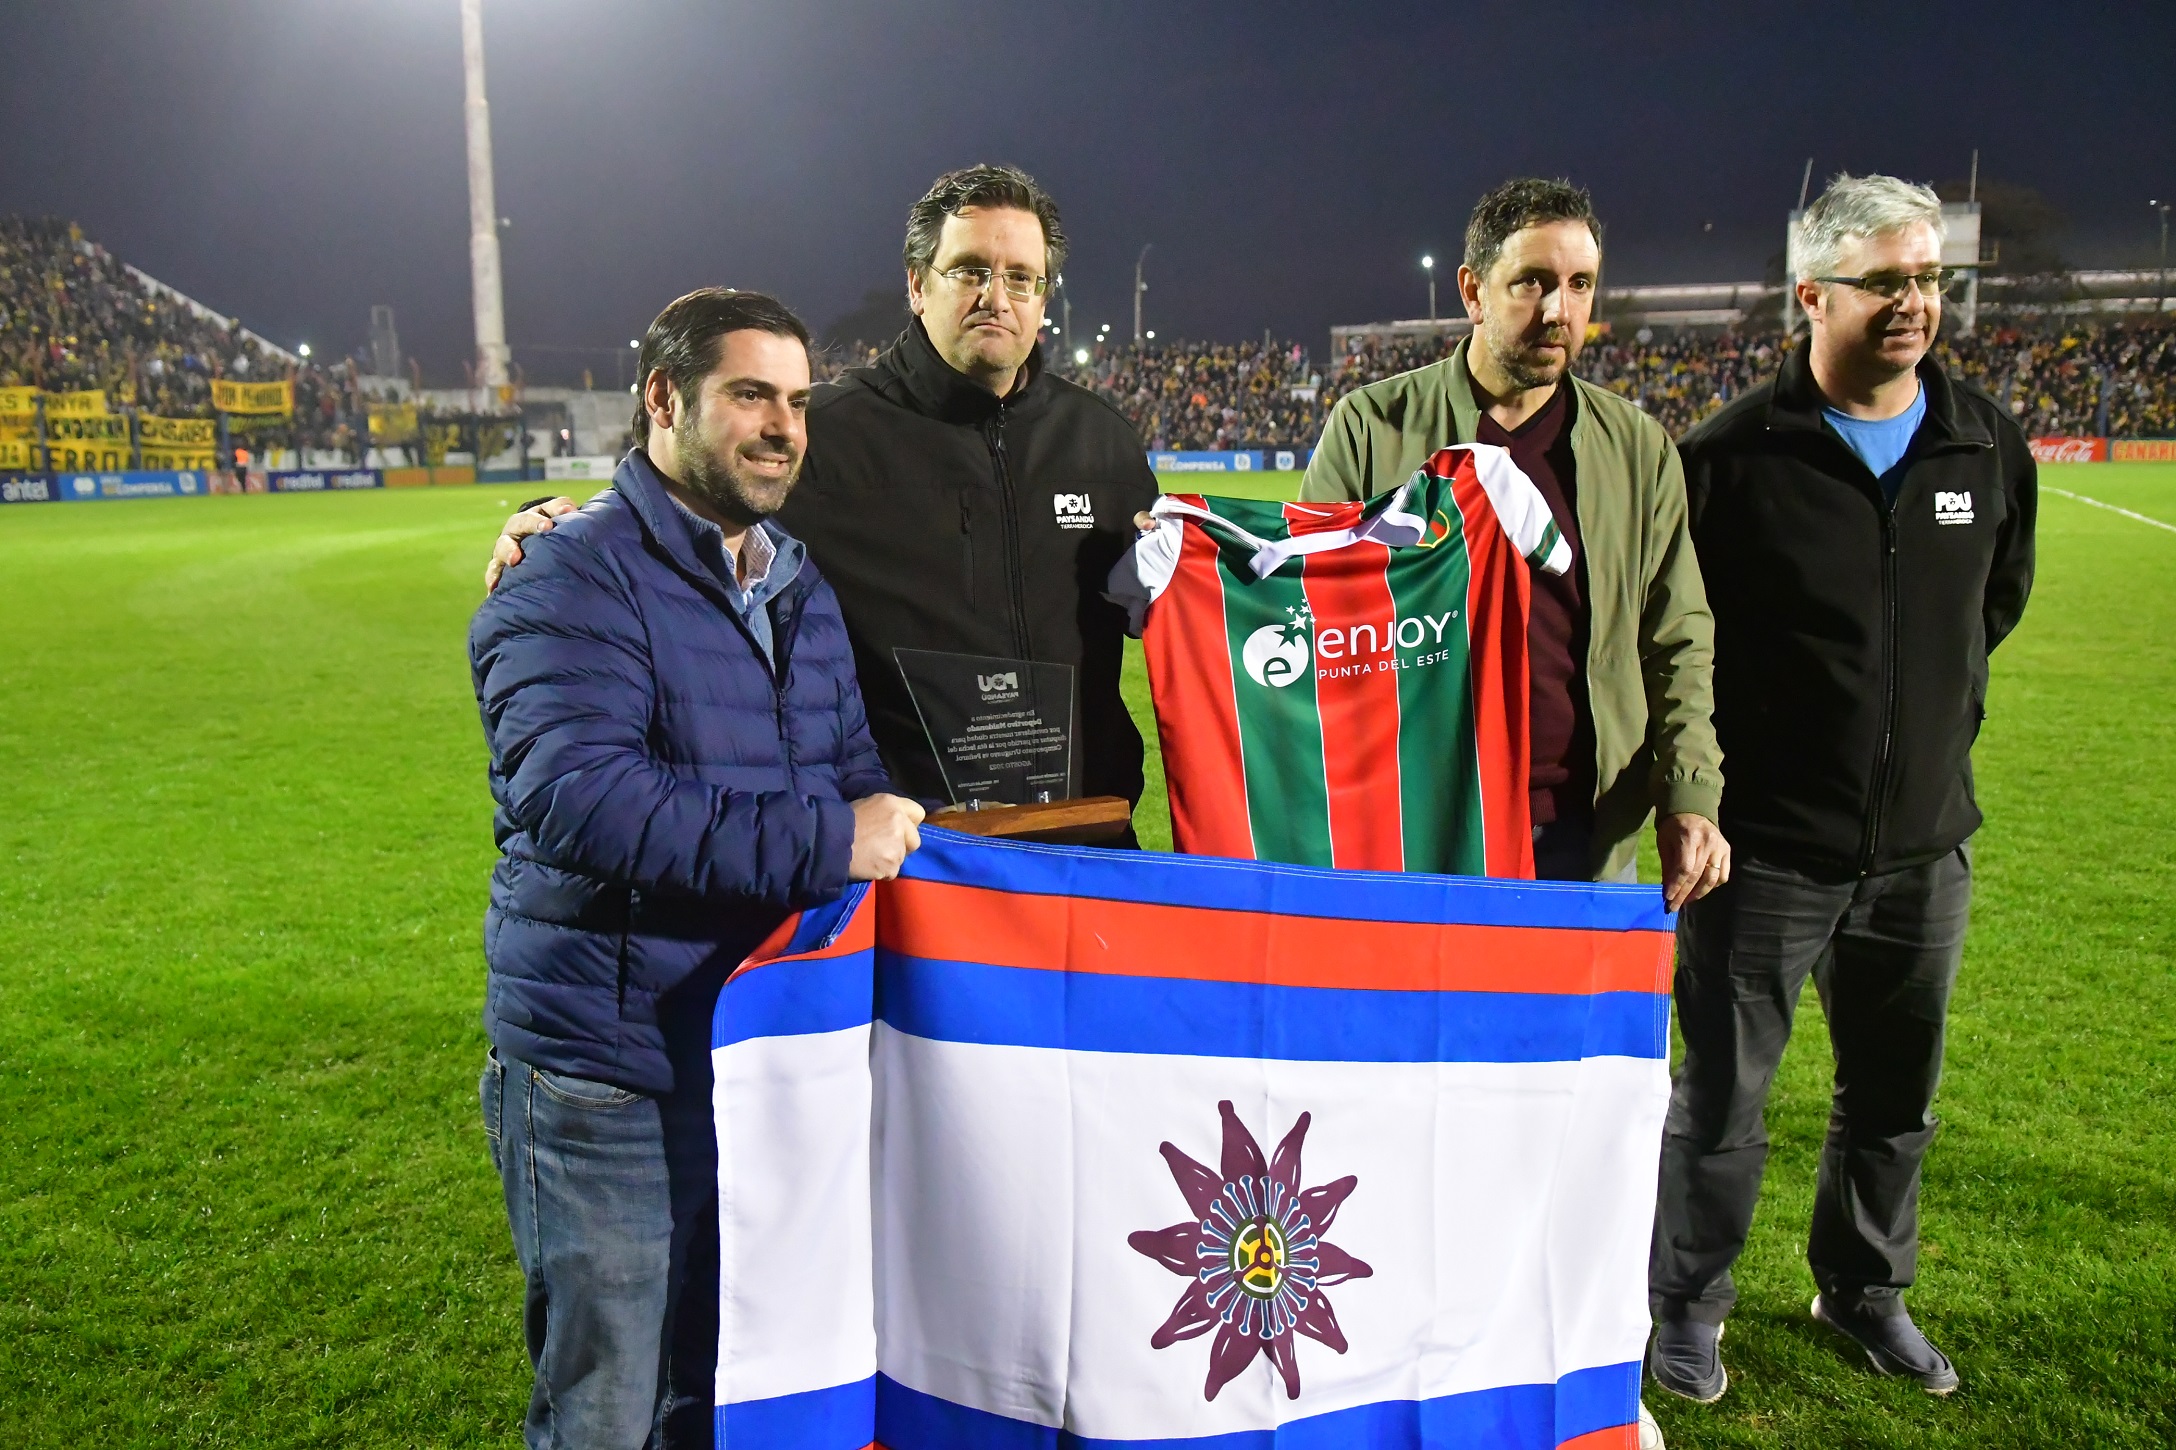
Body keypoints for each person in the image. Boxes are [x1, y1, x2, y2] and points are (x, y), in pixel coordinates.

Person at [469, 287, 924, 1447]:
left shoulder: (798, 585)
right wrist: (830, 839)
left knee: (724, 1391)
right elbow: (582, 802)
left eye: (798, 402)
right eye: (751, 396)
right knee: (605, 1407)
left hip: (758, 1057)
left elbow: (853, 773)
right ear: (664, 400)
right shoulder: (568, 576)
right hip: (609, 1073)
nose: (783, 427)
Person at [1647, 174, 2036, 1403]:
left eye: (1926, 277)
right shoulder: (1725, 457)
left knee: (1894, 1101)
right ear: (1810, 294)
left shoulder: (1982, 439)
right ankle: (1687, 1306)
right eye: (1886, 280)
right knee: (1719, 1103)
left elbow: (1992, 609)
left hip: (1923, 852)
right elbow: (1680, 646)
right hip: (1762, 852)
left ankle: (1862, 1288)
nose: (1914, 301)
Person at [489, 164, 1162, 824]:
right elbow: (672, 515)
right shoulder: (822, 437)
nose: (997, 295)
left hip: (1089, 835)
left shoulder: (1103, 444)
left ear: (1044, 296)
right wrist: (552, 534)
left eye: (1022, 278)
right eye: (970, 270)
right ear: (917, 284)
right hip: (915, 854)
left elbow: (1173, 600)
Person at [1299, 178, 1729, 908]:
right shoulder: (1373, 428)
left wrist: (1691, 792)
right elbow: (1306, 613)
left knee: (1563, 1027)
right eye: (1532, 282)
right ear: (1473, 290)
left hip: (1583, 836)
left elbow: (1677, 637)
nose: (1559, 311)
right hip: (1417, 834)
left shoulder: (1637, 448)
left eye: (1579, 284)